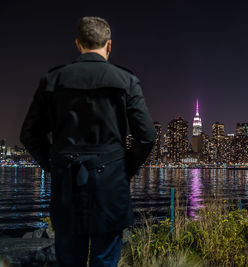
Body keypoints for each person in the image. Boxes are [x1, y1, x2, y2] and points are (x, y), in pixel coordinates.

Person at [20, 16, 156, 266]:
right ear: (109, 45)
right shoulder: (126, 81)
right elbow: (147, 136)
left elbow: (29, 134)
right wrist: (124, 169)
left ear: (78, 43)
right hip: (111, 188)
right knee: (105, 261)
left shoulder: (53, 80)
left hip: (67, 187)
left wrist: (53, 164)